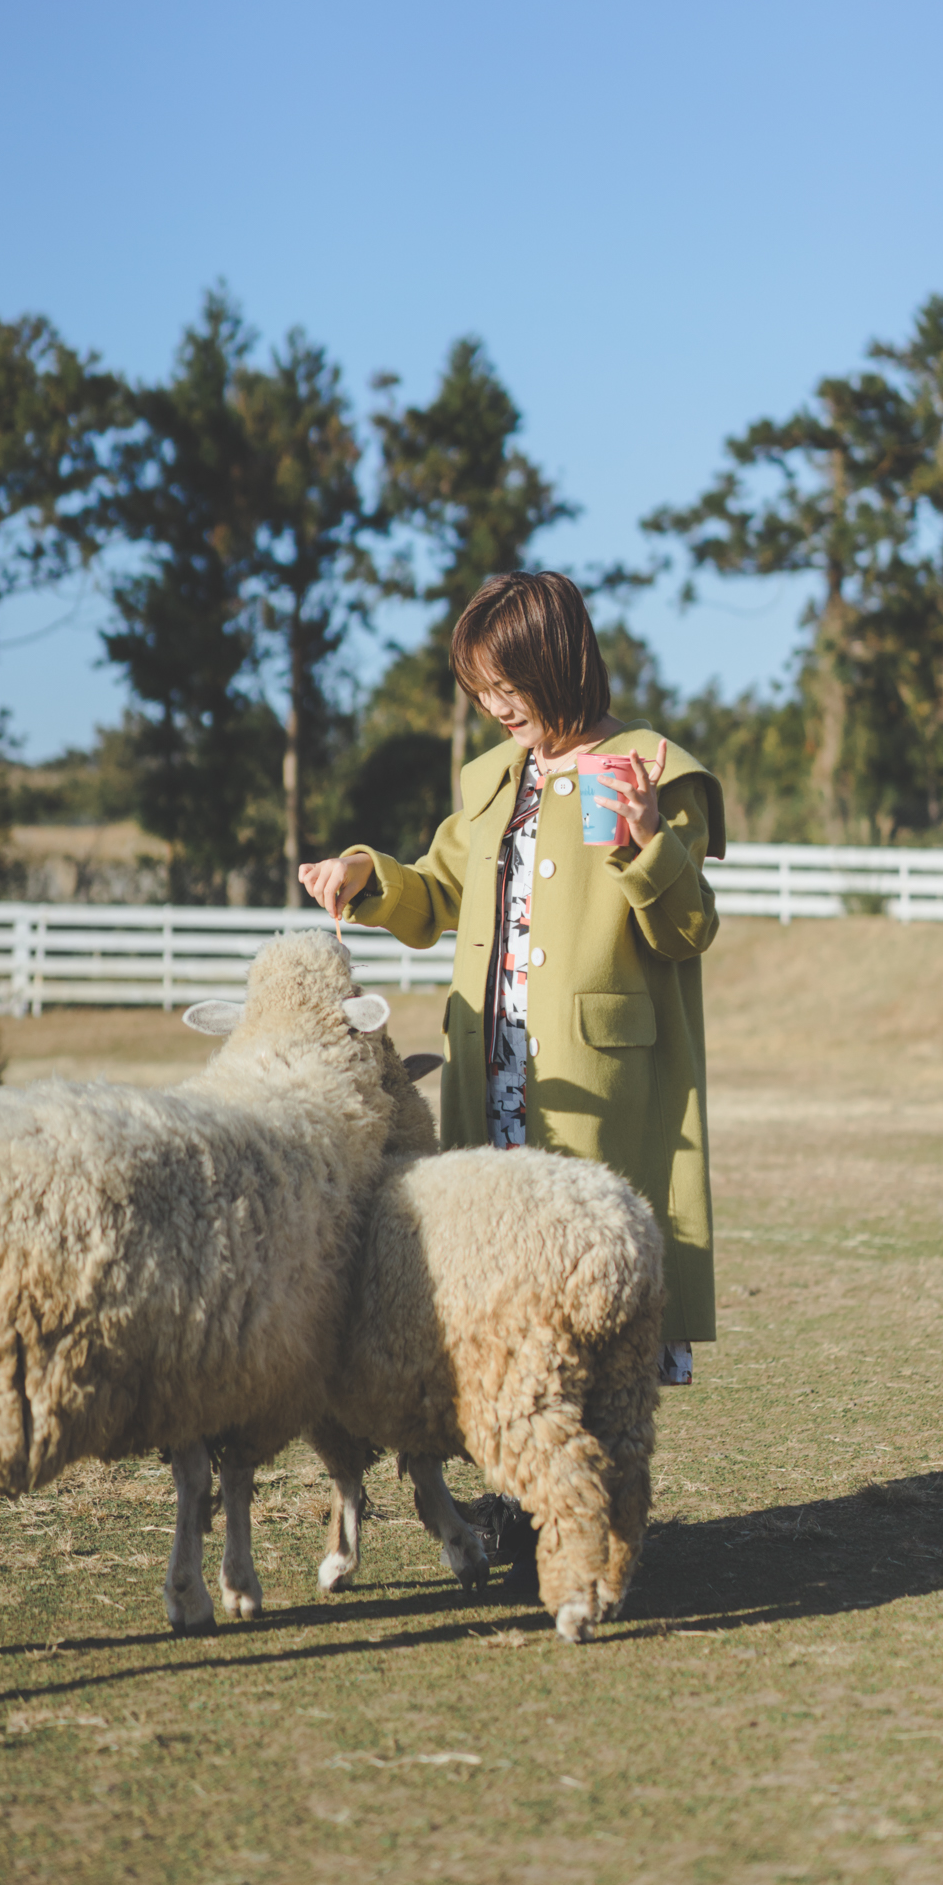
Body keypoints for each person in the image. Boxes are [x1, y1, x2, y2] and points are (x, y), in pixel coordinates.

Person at [299, 569, 726, 1385]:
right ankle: (517, 1498)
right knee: (500, 1285)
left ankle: (586, 1502)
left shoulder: (653, 770)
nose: (494, 706)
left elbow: (688, 930)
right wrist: (364, 873)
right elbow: (437, 893)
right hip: (495, 1069)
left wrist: (646, 841)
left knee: (591, 1287)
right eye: (479, 689)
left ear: (559, 661)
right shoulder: (496, 776)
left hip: (606, 1081)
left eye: (507, 684)